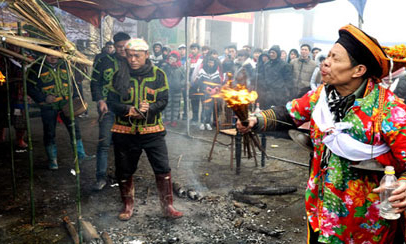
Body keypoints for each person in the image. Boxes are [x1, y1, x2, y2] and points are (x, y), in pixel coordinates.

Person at [237, 24, 406, 244]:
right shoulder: (321, 96)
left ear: (358, 70)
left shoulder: (390, 111)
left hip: (364, 221)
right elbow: (289, 113)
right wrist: (255, 120)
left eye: (336, 59)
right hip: (321, 207)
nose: (325, 62)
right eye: (327, 56)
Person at [108, 38, 183, 221]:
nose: (132, 60)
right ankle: (127, 205)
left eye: (137, 56)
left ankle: (168, 206)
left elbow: (163, 100)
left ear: (147, 55)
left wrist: (150, 108)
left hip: (152, 131)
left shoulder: (158, 75)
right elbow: (111, 102)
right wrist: (128, 110)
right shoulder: (118, 75)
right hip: (124, 131)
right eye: (129, 55)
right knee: (124, 170)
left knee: (162, 167)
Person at [27, 50, 93, 170]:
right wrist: (44, 98)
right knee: (49, 132)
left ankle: (81, 155)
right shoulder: (36, 68)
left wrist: (77, 97)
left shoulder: (66, 65)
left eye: (55, 55)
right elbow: (29, 87)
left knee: (75, 129)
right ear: (44, 54)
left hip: (67, 104)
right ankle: (53, 160)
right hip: (48, 107)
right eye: (50, 54)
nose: (53, 57)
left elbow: (75, 83)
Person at [90, 32, 131, 190]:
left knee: (124, 144)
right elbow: (95, 83)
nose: (122, 50)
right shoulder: (104, 61)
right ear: (114, 46)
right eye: (119, 47)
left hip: (127, 110)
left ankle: (123, 175)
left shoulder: (132, 62)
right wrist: (100, 100)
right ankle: (100, 177)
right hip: (108, 109)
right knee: (104, 143)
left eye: (125, 47)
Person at [0, 47, 28, 148]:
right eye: (13, 46)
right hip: (4, 93)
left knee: (20, 117)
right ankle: (1, 135)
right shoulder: (2, 59)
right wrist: (4, 82)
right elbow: (1, 76)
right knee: (2, 116)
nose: (15, 48)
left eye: (17, 46)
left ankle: (20, 139)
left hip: (19, 95)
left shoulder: (25, 58)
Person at [196, 56, 221, 131]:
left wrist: (216, 88)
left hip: (212, 93)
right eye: (209, 62)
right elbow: (199, 82)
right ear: (207, 63)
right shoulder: (202, 71)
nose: (210, 64)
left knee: (210, 107)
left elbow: (218, 82)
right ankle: (202, 122)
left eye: (212, 63)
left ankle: (207, 122)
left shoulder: (216, 72)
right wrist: (206, 88)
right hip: (204, 93)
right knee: (204, 107)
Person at [161, 51, 185, 127]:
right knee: (167, 105)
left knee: (176, 106)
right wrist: (167, 65)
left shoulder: (180, 67)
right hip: (168, 89)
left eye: (174, 57)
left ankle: (174, 120)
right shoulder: (166, 65)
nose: (173, 59)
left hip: (177, 89)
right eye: (171, 57)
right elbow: (161, 74)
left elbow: (184, 78)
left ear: (177, 58)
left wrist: (181, 84)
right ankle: (167, 119)